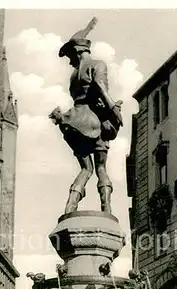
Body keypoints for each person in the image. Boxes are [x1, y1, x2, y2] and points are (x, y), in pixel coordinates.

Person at [49, 17, 123, 214]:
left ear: (77, 52)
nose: (71, 62)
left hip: (73, 122)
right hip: (94, 122)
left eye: (70, 57)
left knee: (85, 169)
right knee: (100, 168)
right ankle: (106, 209)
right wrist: (113, 109)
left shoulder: (74, 75)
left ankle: (70, 206)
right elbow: (99, 87)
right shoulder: (98, 65)